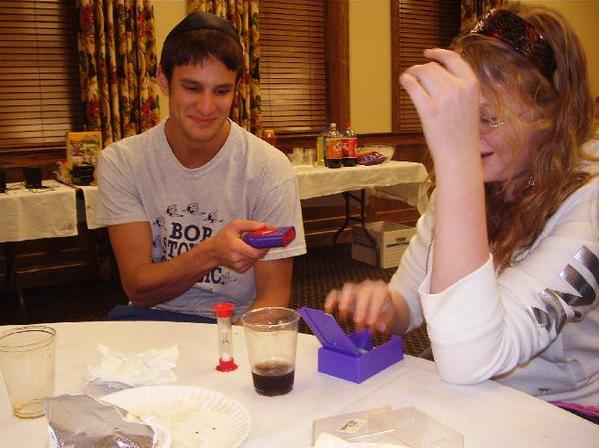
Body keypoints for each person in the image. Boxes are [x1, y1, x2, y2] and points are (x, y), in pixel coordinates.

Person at [325, 3, 598, 419]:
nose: (469, 134)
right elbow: (408, 303)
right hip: (470, 395)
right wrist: (385, 305)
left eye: (488, 117)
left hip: (563, 411)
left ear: (551, 118)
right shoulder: (474, 182)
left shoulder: (588, 203)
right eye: (462, 116)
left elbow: (473, 357)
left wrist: (457, 163)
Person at [95, 11, 306, 323]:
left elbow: (272, 298)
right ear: (163, 81)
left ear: (236, 89)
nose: (207, 107)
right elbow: (138, 289)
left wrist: (229, 345)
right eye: (192, 88)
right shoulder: (122, 162)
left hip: (235, 325)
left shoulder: (269, 167)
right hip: (151, 321)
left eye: (221, 91)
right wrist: (211, 252)